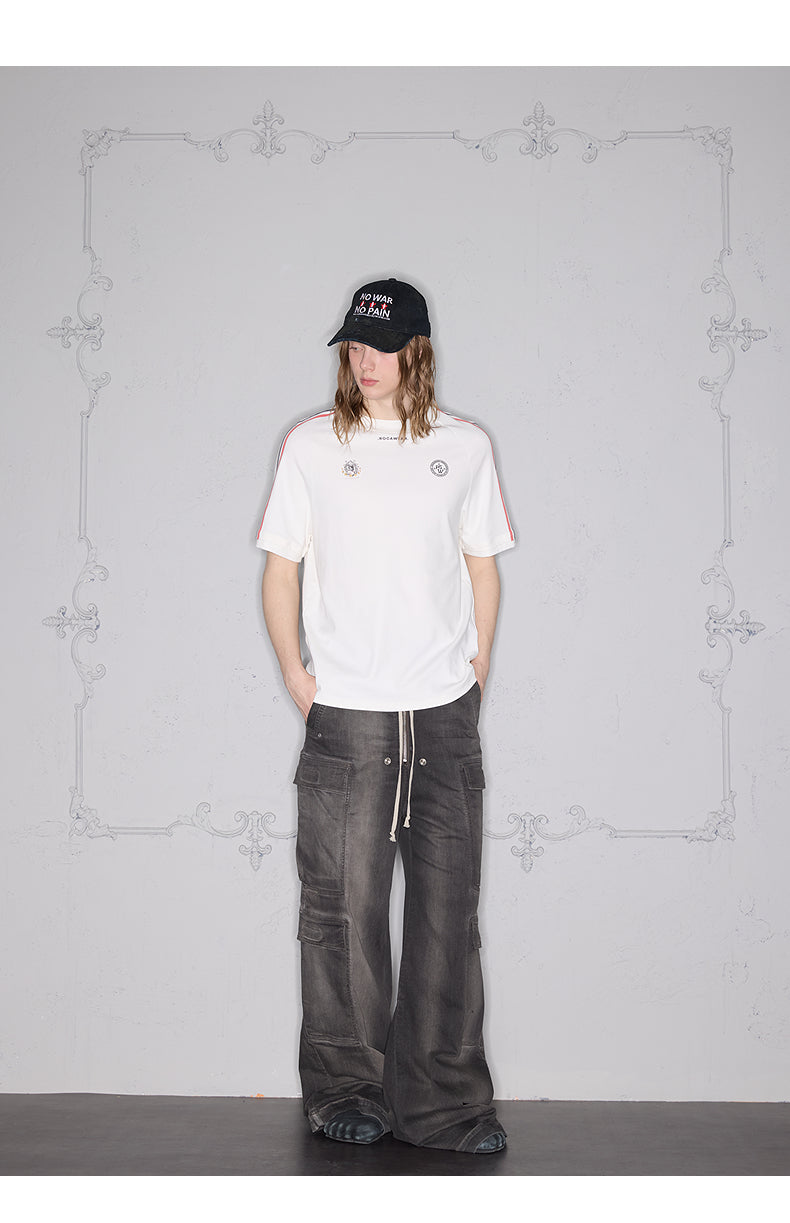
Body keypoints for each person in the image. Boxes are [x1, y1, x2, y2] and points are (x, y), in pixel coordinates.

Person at [257, 277, 515, 1154]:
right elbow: (281, 567)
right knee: (342, 911)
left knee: (449, 915)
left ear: (417, 349)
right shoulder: (311, 446)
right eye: (355, 346)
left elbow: (482, 563)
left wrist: (479, 664)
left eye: (383, 345)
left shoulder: (465, 447)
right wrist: (297, 673)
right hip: (349, 716)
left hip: (441, 714)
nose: (366, 361)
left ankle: (445, 1102)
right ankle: (346, 1090)